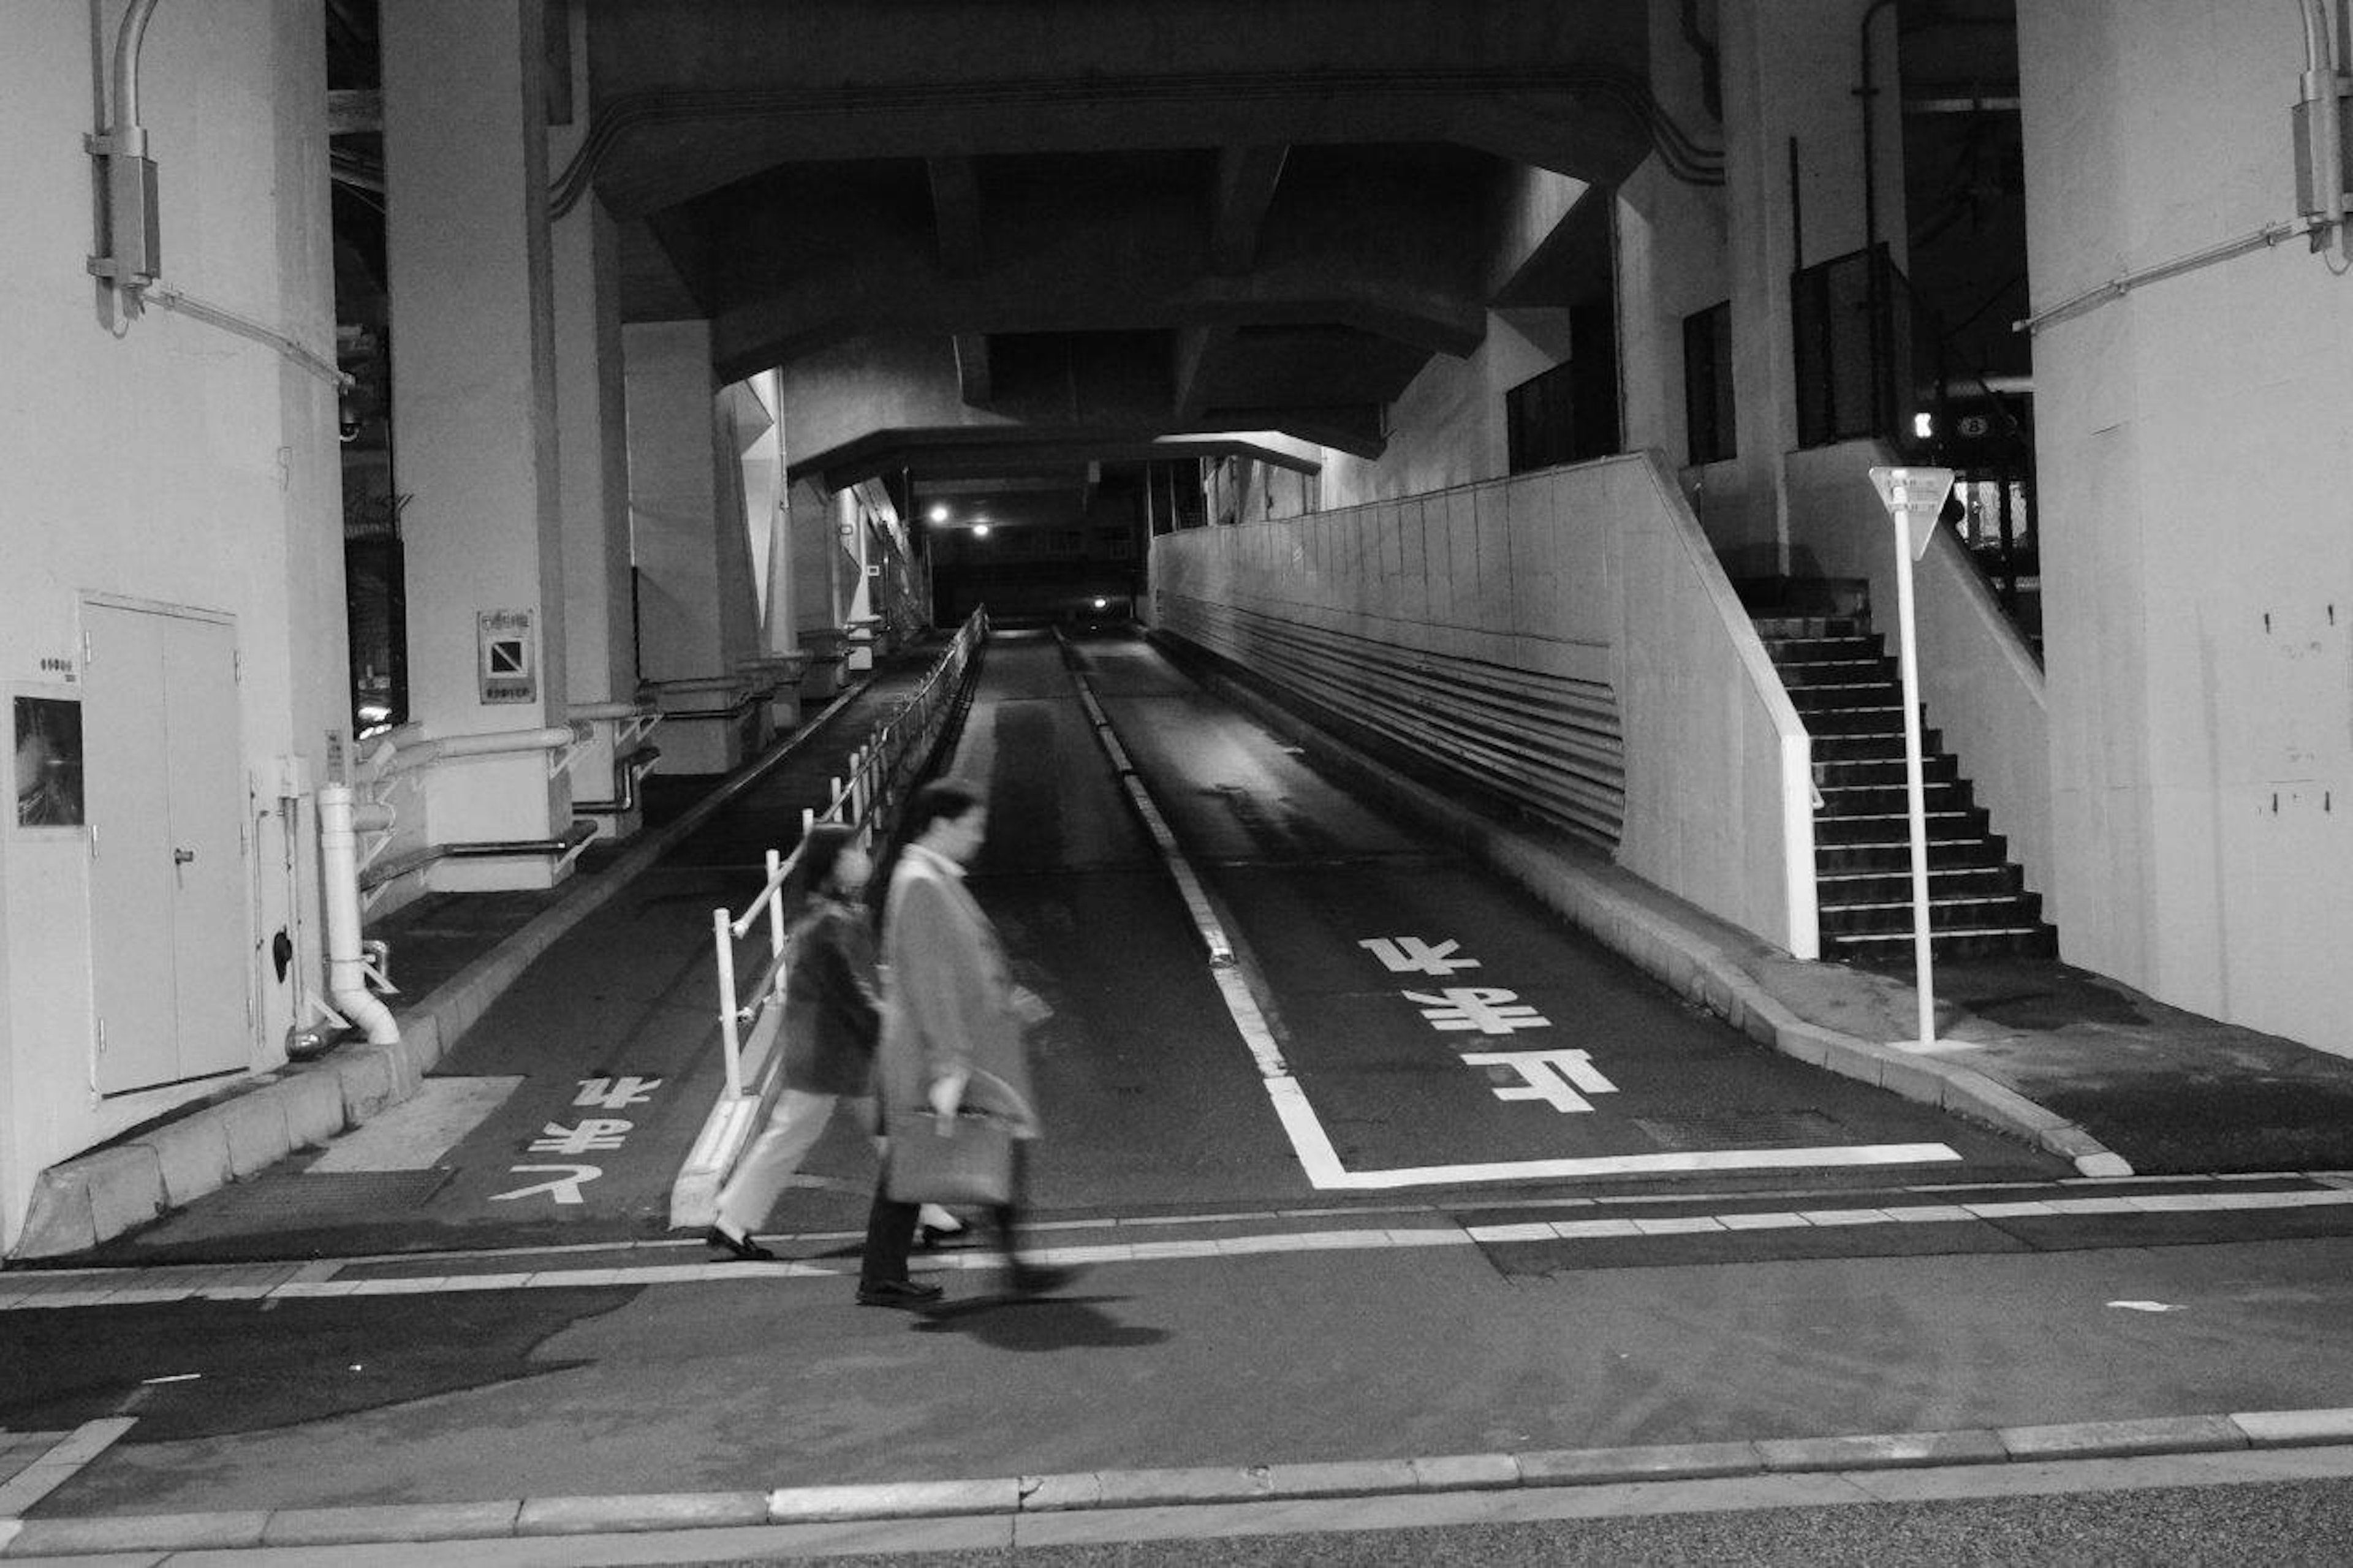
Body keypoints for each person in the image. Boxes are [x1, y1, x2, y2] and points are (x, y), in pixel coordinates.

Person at [703, 822, 953, 1309]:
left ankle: (733, 1219)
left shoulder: (839, 914)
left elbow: (860, 980)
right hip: (831, 1049)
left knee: (846, 1135)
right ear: (833, 863)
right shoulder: (826, 923)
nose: (863, 856)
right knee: (871, 1136)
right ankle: (927, 1217)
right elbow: (852, 991)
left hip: (836, 1047)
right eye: (853, 850)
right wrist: (897, 1026)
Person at [875, 778, 1068, 1298]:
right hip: (948, 1049)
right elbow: (929, 978)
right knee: (944, 1149)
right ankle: (1004, 1267)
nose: (978, 838)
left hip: (969, 1042)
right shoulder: (920, 882)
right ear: (940, 825)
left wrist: (1008, 997)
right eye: (971, 827)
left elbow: (962, 960)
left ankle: (888, 1274)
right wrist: (949, 1061)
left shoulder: (935, 876)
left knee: (926, 1152)